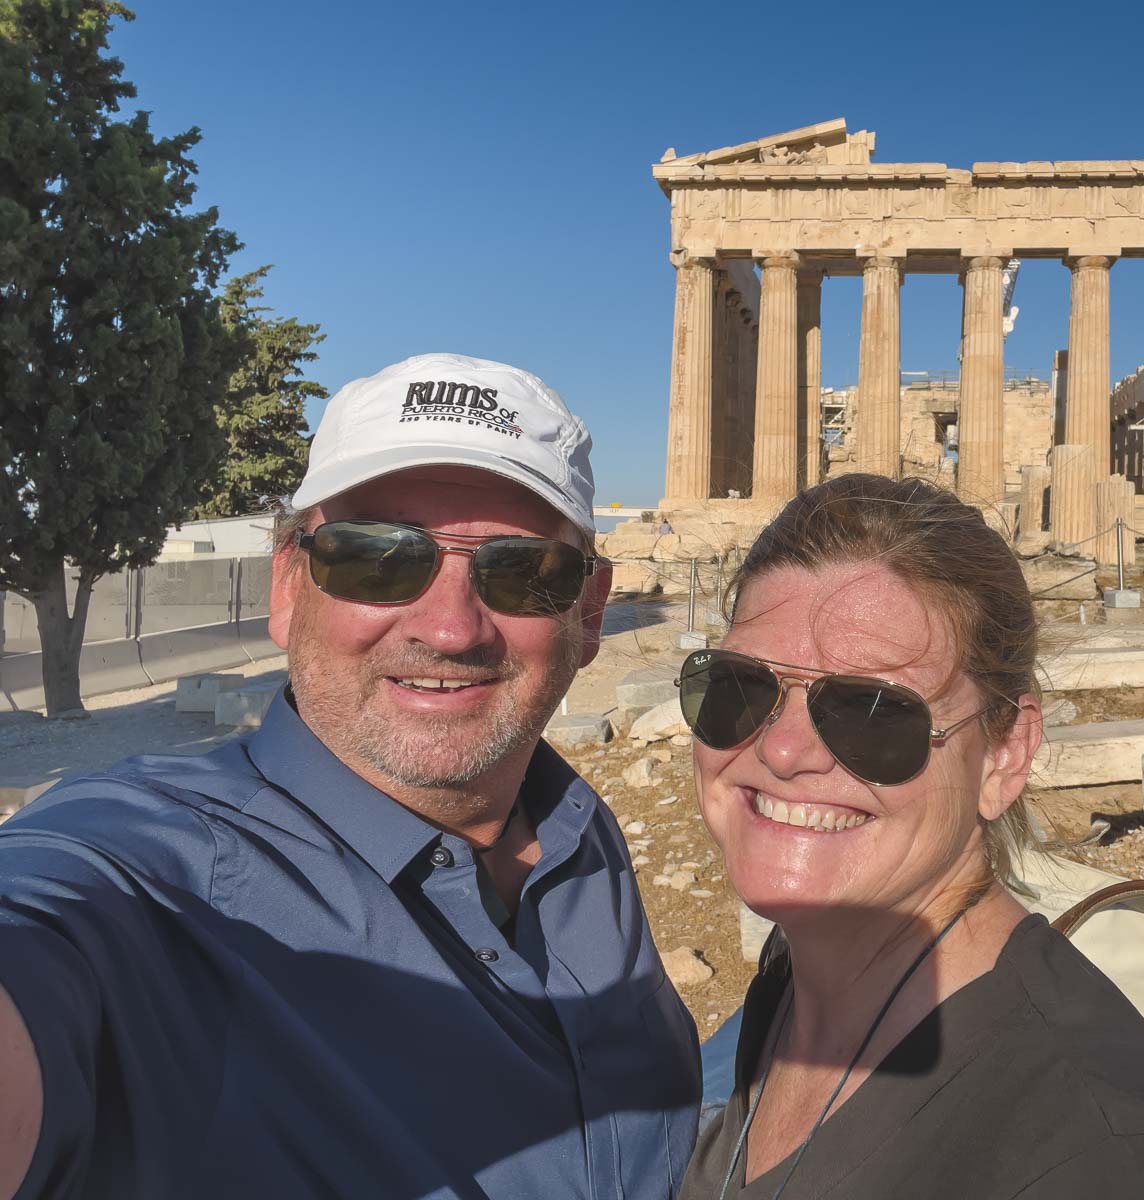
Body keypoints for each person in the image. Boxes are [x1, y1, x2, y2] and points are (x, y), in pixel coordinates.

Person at [0, 354, 700, 1199]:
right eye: (376, 559)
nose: (449, 630)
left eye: (521, 570)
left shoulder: (574, 832)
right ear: (289, 588)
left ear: (588, 614)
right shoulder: (142, 877)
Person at [675, 474, 1144, 1200]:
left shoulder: (1111, 1160)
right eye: (739, 687)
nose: (782, 751)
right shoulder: (801, 969)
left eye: (873, 712)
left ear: (1004, 756)